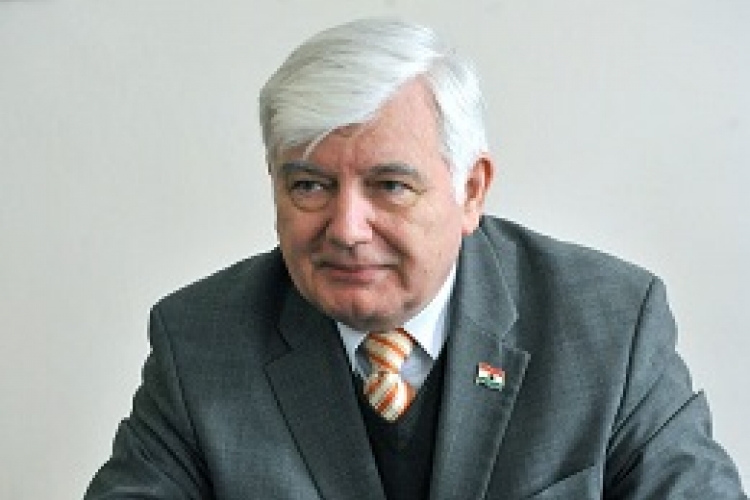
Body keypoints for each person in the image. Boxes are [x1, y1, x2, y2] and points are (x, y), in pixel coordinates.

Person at [85, 17, 747, 499]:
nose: (347, 229)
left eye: (390, 186)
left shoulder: (609, 326)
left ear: (471, 190)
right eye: (310, 185)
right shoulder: (200, 341)